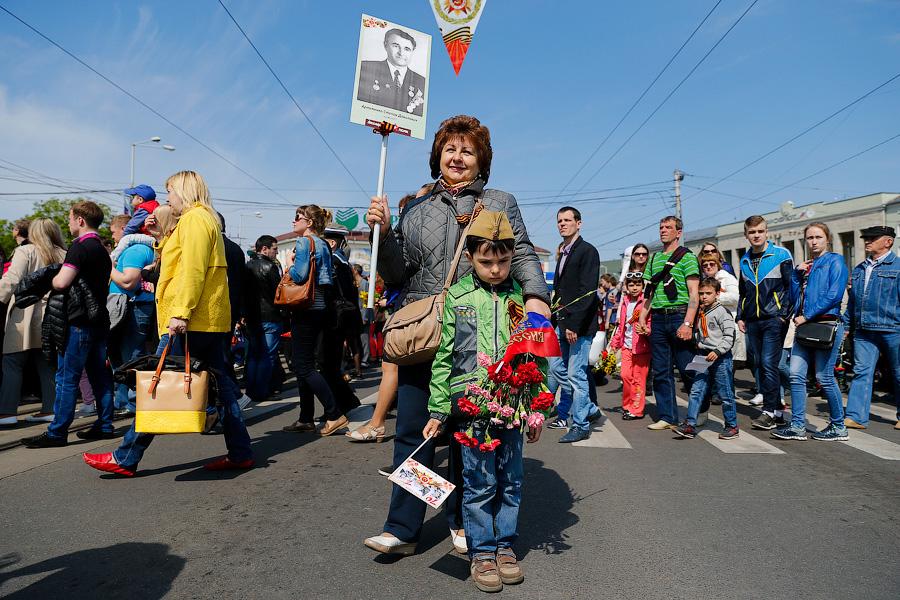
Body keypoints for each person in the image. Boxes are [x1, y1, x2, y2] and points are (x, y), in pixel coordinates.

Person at [363, 114, 550, 556]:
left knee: (470, 431)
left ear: (481, 159)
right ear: (438, 156)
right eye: (450, 148)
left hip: (477, 332)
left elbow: (520, 253)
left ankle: (467, 521)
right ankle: (403, 528)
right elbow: (396, 273)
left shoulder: (500, 201)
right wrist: (384, 233)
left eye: (467, 150)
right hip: (424, 331)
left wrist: (537, 297)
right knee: (414, 431)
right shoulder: (417, 207)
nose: (458, 156)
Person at [82, 170, 254, 475]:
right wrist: (162, 237)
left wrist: (182, 313)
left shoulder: (196, 219)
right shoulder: (197, 220)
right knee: (224, 389)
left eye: (171, 191)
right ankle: (240, 452)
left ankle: (126, 456)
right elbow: (177, 262)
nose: (167, 198)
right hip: (204, 319)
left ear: (185, 191)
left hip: (191, 319)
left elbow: (193, 270)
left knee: (156, 387)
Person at [422, 210, 541, 592]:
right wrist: (439, 409)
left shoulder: (522, 298)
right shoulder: (458, 296)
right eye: (486, 261)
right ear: (471, 257)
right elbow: (444, 358)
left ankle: (506, 546)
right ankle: (482, 553)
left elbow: (534, 357)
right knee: (478, 483)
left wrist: (536, 408)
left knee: (512, 480)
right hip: (472, 409)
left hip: (512, 406)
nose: (495, 269)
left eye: (503, 261)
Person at [23, 202, 115, 448]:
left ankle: (57, 433)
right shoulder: (102, 250)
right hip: (98, 321)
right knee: (100, 376)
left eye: (71, 218)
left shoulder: (79, 247)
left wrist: (49, 278)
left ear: (81, 220)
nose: (68, 222)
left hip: (78, 322)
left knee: (67, 378)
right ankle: (105, 425)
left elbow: (62, 282)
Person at [772, 222, 849, 441]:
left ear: (827, 239)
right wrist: (797, 276)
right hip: (804, 326)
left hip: (825, 324)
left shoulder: (836, 261)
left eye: (818, 237)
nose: (814, 241)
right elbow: (795, 298)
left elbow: (834, 295)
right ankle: (797, 426)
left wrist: (808, 315)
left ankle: (838, 426)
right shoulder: (808, 265)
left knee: (824, 377)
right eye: (810, 238)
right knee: (795, 375)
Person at [281, 204, 347, 436]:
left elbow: (299, 275)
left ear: (308, 223)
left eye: (297, 217)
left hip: (305, 308)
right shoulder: (323, 244)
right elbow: (326, 279)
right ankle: (305, 417)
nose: (293, 221)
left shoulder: (303, 243)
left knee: (303, 366)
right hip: (319, 307)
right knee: (305, 363)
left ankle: (334, 413)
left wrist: (289, 265)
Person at [0, 219, 67, 426]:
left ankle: (7, 412)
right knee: (47, 363)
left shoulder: (26, 251)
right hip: (55, 313)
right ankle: (49, 409)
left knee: (12, 363)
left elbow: (12, 279)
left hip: (25, 313)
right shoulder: (64, 253)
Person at [637, 216, 700, 430]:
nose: (663, 231)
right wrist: (643, 317)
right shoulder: (654, 259)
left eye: (668, 228)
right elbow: (650, 292)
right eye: (661, 227)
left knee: (688, 368)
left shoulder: (687, 257)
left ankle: (700, 408)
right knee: (661, 371)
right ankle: (668, 416)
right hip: (659, 317)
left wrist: (688, 324)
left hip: (679, 315)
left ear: (678, 232)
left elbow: (694, 294)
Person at [736, 215, 794, 430]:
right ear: (746, 235)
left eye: (760, 231)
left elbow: (792, 288)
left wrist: (783, 315)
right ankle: (778, 410)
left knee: (769, 364)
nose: (756, 235)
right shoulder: (744, 260)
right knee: (760, 364)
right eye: (752, 232)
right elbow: (744, 292)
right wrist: (741, 316)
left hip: (773, 319)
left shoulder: (781, 255)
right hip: (753, 320)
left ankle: (769, 411)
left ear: (766, 232)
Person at [552, 206, 602, 443]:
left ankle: (580, 424)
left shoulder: (587, 251)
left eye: (568, 220)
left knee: (576, 374)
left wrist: (574, 324)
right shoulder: (563, 251)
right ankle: (590, 408)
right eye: (560, 220)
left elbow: (588, 292)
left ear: (579, 223)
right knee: (554, 368)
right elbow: (562, 290)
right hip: (562, 322)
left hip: (579, 325)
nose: (563, 224)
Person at [842, 225, 899, 430]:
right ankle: (856, 417)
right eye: (866, 237)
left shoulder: (898, 267)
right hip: (864, 331)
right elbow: (852, 303)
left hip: (893, 328)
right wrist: (846, 326)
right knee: (861, 372)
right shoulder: (859, 269)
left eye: (873, 238)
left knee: (898, 372)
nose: (867, 241)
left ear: (888, 242)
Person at [673, 278, 739, 440]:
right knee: (696, 390)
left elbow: (730, 336)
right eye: (701, 293)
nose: (704, 297)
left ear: (717, 294)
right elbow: (701, 334)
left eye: (708, 293)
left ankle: (732, 425)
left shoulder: (722, 312)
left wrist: (718, 351)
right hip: (703, 355)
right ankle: (690, 424)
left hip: (720, 357)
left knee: (725, 393)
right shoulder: (701, 312)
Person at [107, 214, 155, 415]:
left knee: (132, 356)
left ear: (125, 230)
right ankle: (124, 400)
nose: (113, 238)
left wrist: (108, 267)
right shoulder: (135, 250)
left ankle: (135, 403)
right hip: (129, 307)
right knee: (122, 355)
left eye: (113, 232)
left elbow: (128, 281)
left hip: (133, 308)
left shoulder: (135, 250)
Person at [244, 235, 284, 403]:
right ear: (264, 249)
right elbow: (278, 293)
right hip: (271, 316)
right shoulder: (270, 267)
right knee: (268, 355)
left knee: (253, 354)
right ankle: (261, 390)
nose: (277, 252)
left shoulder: (247, 266)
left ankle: (251, 389)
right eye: (274, 249)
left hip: (252, 317)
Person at [609, 272, 651, 420]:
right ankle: (627, 405)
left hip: (641, 348)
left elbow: (650, 322)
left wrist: (647, 330)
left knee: (639, 380)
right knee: (625, 376)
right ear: (626, 286)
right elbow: (622, 326)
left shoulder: (646, 301)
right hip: (626, 347)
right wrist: (615, 343)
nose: (634, 287)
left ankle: (636, 409)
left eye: (638, 284)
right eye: (631, 284)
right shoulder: (625, 301)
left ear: (643, 286)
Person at [356, 28, 426, 115]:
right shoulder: (365, 68)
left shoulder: (422, 82)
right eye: (396, 46)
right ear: (385, 45)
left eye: (407, 49)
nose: (401, 53)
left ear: (412, 51)